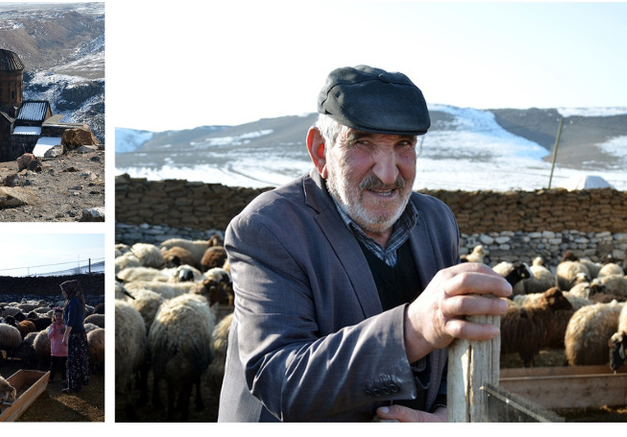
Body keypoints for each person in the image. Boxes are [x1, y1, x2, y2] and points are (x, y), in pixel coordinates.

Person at [217, 65, 512, 422]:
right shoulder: (269, 228)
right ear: (321, 151)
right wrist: (414, 328)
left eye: (403, 145)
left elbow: (449, 353)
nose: (388, 174)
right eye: (362, 142)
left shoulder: (437, 222)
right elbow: (280, 380)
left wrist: (447, 414)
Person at [60, 280, 89, 393]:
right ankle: (77, 383)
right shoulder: (77, 301)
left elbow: (71, 321)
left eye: (63, 290)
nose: (62, 292)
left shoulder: (72, 302)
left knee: (73, 361)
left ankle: (73, 386)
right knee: (79, 359)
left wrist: (65, 336)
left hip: (75, 335)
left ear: (69, 290)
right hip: (80, 334)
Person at [47, 307, 69, 387]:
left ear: (63, 316)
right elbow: (49, 336)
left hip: (64, 348)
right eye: (57, 316)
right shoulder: (52, 326)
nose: (59, 317)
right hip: (55, 348)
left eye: (60, 316)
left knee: (64, 364)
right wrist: (54, 329)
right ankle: (51, 377)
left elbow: (68, 334)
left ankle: (64, 378)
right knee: (54, 364)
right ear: (54, 317)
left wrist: (65, 331)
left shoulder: (66, 326)